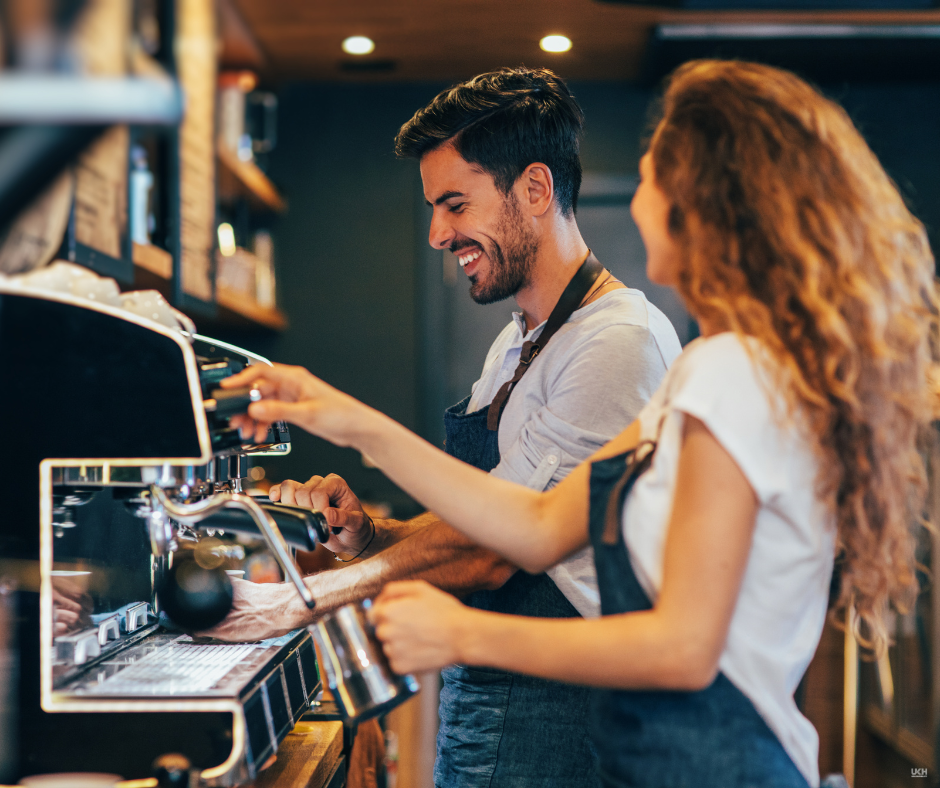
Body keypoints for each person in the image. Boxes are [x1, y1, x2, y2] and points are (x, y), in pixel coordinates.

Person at [221, 59, 937, 788]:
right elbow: (533, 524)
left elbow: (686, 647)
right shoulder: (703, 371)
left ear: (708, 200)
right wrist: (345, 422)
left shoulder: (728, 374)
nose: (634, 200)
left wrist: (465, 631)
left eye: (652, 176)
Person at [205, 67, 682, 788]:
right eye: (433, 207)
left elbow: (504, 551)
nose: (436, 234)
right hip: (492, 695)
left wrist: (298, 600)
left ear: (534, 190)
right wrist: (370, 538)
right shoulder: (518, 341)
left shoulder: (618, 341)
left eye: (454, 204)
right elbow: (490, 515)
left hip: (560, 714)